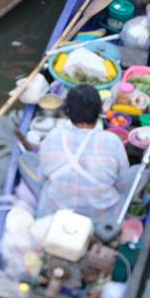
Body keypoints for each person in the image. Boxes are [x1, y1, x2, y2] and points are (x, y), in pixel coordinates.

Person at [20, 85, 136, 223]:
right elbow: (122, 184)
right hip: (101, 218)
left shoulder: (53, 136)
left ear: (67, 111)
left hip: (57, 214)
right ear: (99, 111)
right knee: (139, 171)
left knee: (26, 159)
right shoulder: (112, 141)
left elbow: (43, 175)